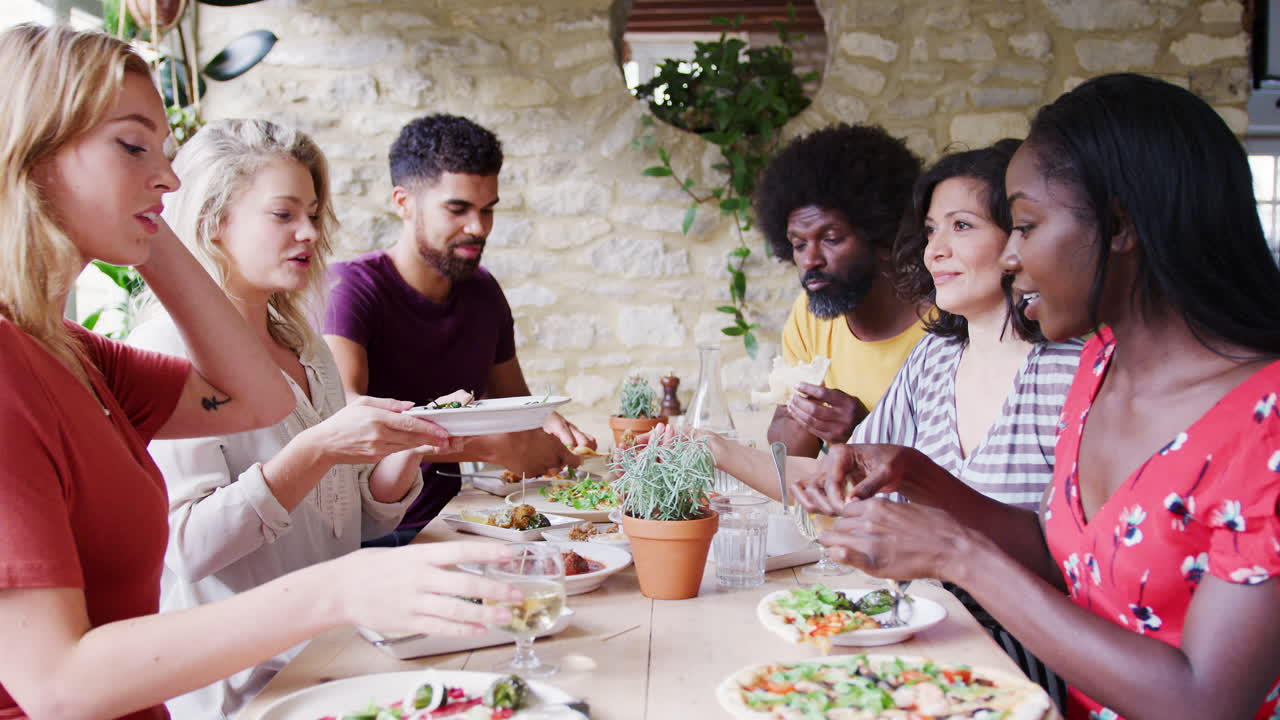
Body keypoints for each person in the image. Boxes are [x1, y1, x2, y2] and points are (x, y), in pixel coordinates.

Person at [0, 25, 519, 720]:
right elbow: (57, 688)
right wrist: (339, 589)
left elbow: (256, 399)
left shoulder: (77, 354)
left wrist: (156, 229)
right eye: (132, 145)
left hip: (316, 669)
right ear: (29, 155)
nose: (169, 175)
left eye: (166, 152)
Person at [794, 74, 1280, 720]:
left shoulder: (1264, 420)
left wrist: (957, 555)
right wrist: (917, 473)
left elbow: (1203, 699)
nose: (1011, 256)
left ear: (1118, 226)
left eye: (1024, 226)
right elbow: (1063, 560)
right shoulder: (1103, 369)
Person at [128, 118, 467, 719]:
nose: (310, 232)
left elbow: (355, 520)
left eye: (313, 213)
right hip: (243, 689)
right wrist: (319, 449)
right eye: (283, 215)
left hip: (336, 660)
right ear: (213, 223)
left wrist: (408, 445)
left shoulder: (306, 345)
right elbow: (188, 548)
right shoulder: (164, 347)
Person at [324, 113, 596, 544]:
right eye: (458, 209)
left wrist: (545, 423)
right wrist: (489, 444)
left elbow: (515, 404)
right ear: (403, 201)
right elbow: (345, 420)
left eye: (488, 210)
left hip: (454, 520)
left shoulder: (483, 291)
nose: (479, 228)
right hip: (372, 533)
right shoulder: (350, 290)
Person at [755, 123, 927, 458]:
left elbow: (961, 471)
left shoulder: (944, 326)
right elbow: (788, 454)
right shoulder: (809, 315)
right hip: (831, 511)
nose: (810, 260)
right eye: (798, 244)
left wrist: (866, 429)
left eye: (831, 238)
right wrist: (805, 417)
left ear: (881, 233)